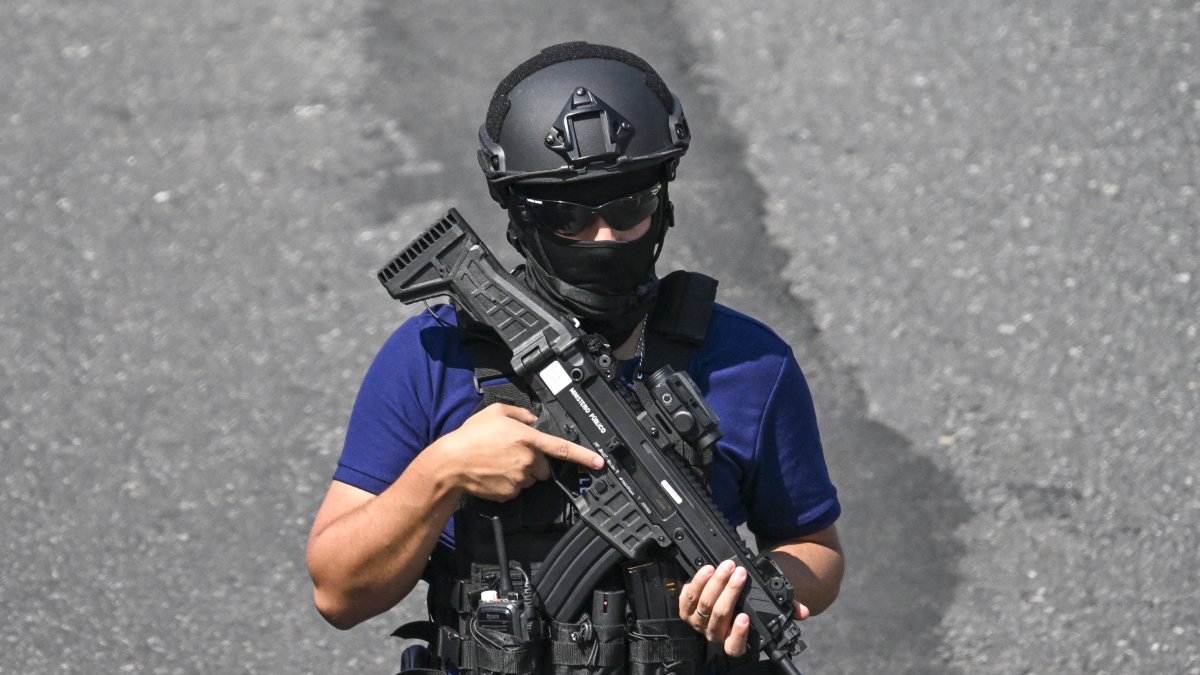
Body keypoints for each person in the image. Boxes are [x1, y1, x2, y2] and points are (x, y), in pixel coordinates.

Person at [307, 41, 843, 673]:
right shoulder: (432, 359)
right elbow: (338, 593)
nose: (604, 237)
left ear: (664, 200)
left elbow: (814, 548)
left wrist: (762, 586)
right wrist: (441, 475)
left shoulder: (749, 363)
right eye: (568, 217)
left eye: (630, 207)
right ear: (518, 214)